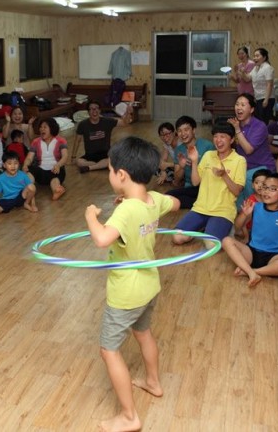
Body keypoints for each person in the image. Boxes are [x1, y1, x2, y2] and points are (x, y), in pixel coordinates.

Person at [84, 136, 180, 432]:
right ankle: (153, 382)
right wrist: (131, 206)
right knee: (143, 332)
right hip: (149, 286)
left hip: (126, 293)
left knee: (109, 350)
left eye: (110, 171)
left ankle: (129, 416)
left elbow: (102, 239)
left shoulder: (126, 211)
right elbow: (176, 203)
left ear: (122, 175)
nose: (110, 175)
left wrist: (91, 216)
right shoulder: (153, 200)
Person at [221, 173, 278, 287]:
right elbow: (237, 227)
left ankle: (252, 272)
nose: (266, 192)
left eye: (272, 189)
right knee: (226, 241)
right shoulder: (255, 207)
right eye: (265, 187)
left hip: (275, 256)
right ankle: (251, 272)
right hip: (252, 252)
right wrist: (244, 214)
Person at [172, 123, 246, 242]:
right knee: (177, 238)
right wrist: (194, 161)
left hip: (222, 212)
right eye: (215, 136)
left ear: (232, 139)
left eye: (222, 136)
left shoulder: (239, 160)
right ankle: (204, 228)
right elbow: (195, 182)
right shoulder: (208, 155)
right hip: (200, 208)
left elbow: (237, 191)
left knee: (211, 244)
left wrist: (224, 175)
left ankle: (213, 229)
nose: (218, 140)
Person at [165, 116, 214, 209]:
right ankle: (201, 203)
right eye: (179, 131)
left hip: (206, 187)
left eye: (186, 129)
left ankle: (203, 202)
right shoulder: (179, 150)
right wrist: (182, 166)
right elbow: (177, 180)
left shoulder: (207, 146)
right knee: (167, 196)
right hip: (189, 188)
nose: (183, 134)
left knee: (175, 201)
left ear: (194, 130)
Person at [72, 100, 133, 173]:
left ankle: (90, 168)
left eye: (96, 108)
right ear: (88, 112)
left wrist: (128, 112)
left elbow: (124, 123)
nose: (94, 111)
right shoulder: (83, 124)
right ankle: (101, 166)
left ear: (100, 110)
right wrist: (73, 157)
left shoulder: (107, 121)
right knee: (79, 162)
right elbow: (77, 141)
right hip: (90, 155)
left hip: (105, 154)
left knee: (110, 160)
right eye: (91, 109)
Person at [23, 117, 69, 201]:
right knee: (30, 170)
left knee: (55, 179)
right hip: (40, 172)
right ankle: (28, 188)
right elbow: (29, 157)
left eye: (45, 127)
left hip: (55, 170)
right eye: (41, 127)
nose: (42, 129)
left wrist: (58, 165)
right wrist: (25, 165)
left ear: (52, 128)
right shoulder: (36, 142)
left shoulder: (61, 141)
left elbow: (65, 156)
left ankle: (56, 190)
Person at [0, 151, 38, 215]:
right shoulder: (0, 178)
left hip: (20, 198)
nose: (13, 166)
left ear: (19, 164)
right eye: (9, 163)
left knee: (32, 186)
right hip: (7, 200)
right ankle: (5, 207)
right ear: (4, 165)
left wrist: (33, 204)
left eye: (15, 163)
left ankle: (26, 204)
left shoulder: (23, 175)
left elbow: (31, 191)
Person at [250, 48, 275, 123]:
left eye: (257, 56)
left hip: (266, 98)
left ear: (264, 57)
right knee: (258, 119)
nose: (255, 58)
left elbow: (269, 84)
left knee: (264, 120)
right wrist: (242, 73)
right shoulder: (255, 68)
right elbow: (247, 78)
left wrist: (266, 100)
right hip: (258, 98)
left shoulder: (267, 67)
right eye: (254, 56)